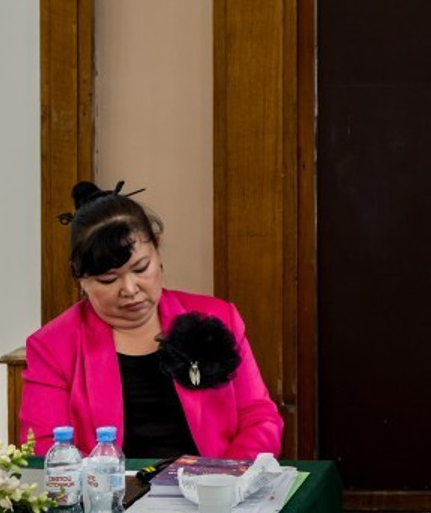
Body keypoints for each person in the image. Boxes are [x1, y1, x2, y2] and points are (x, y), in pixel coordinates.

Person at [19, 181, 283, 459]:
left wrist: (224, 477)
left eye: (140, 268)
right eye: (108, 279)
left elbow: (259, 418)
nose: (130, 289)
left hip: (214, 482)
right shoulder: (52, 346)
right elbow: (43, 445)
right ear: (81, 278)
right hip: (110, 486)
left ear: (157, 249)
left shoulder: (217, 318)